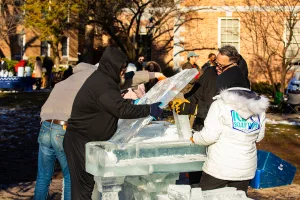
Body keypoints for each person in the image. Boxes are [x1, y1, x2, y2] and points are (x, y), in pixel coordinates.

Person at [63, 46, 163, 199]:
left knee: (86, 187)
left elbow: (127, 82)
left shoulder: (105, 78)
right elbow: (120, 110)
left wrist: (153, 75)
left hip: (85, 140)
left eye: (124, 67)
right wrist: (148, 109)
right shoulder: (103, 85)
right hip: (79, 141)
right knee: (83, 189)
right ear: (112, 66)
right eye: (121, 68)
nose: (123, 70)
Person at [190, 86, 269, 194]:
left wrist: (194, 137)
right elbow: (259, 137)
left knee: (206, 196)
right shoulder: (259, 108)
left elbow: (209, 136)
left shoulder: (220, 105)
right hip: (245, 168)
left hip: (219, 167)